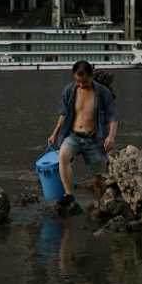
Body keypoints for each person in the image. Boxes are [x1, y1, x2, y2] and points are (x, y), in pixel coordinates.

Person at [47, 61, 119, 213]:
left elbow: (113, 117)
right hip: (73, 135)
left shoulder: (103, 93)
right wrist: (54, 133)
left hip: (93, 139)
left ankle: (104, 202)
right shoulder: (70, 90)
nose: (80, 84)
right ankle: (69, 195)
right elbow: (63, 113)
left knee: (98, 174)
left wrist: (111, 137)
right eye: (77, 81)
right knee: (63, 156)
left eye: (84, 81)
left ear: (91, 76)